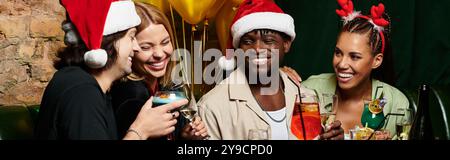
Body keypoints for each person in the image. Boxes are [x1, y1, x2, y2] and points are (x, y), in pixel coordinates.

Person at [34, 0, 187, 140]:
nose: (135, 47)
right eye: (131, 37)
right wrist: (140, 131)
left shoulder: (90, 87)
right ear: (110, 42)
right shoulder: (82, 92)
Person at [198, 0, 344, 140]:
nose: (257, 49)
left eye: (268, 41)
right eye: (248, 41)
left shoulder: (306, 97)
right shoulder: (212, 107)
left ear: (286, 44)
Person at [300, 0, 409, 140]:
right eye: (338, 53)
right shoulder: (310, 90)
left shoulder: (396, 104)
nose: (342, 64)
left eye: (354, 56)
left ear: (377, 60)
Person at [110, 2, 208, 140]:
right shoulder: (130, 97)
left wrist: (184, 137)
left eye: (165, 42)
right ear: (130, 48)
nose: (159, 54)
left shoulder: (166, 88)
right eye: (146, 47)